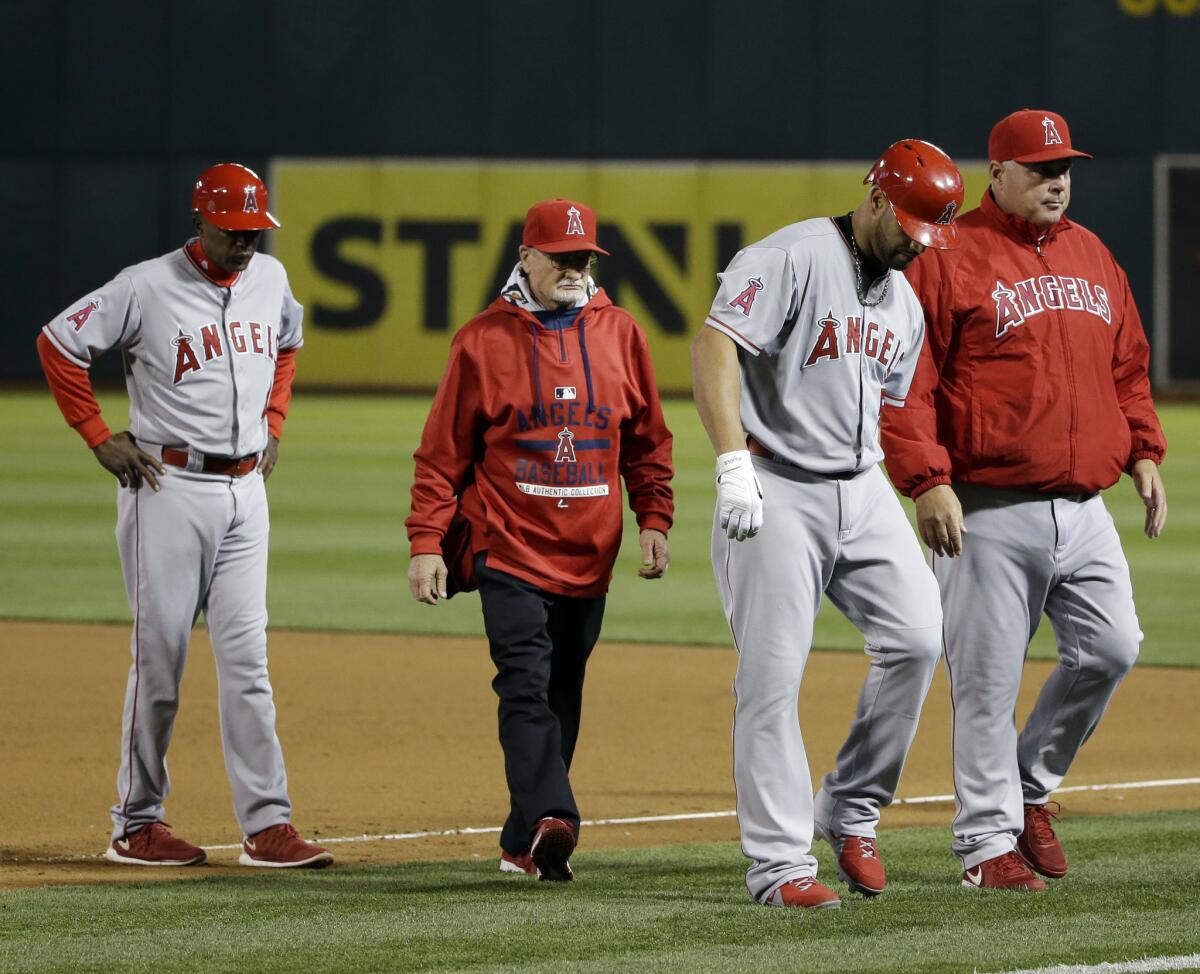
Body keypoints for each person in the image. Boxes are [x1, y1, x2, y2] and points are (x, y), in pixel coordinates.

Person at [880, 109, 1168, 891]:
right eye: (1040, 170)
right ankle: (984, 848)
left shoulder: (1092, 254)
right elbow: (907, 380)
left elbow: (1129, 367)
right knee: (986, 681)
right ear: (996, 174)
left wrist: (1143, 448)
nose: (1057, 182)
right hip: (986, 505)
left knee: (1112, 647)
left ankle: (1029, 790)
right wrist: (928, 479)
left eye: (1064, 168)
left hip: (1084, 507)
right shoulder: (947, 256)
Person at [691, 141, 964, 909]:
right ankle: (780, 868)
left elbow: (894, 406)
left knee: (916, 638)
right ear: (875, 198)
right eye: (909, 223)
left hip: (863, 485)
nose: (916, 242)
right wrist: (730, 460)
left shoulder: (904, 300)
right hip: (776, 484)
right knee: (772, 681)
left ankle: (849, 806)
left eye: (929, 232)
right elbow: (715, 345)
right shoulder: (791, 256)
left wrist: (928, 482)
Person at [36, 163, 332, 869]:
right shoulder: (144, 285)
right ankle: (136, 824)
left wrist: (276, 421)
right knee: (160, 662)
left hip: (244, 495)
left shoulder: (271, 279)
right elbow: (58, 343)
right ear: (200, 222)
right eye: (234, 232)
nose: (245, 244)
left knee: (248, 664)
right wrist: (96, 435)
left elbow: (288, 344)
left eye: (255, 231)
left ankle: (267, 826)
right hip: (166, 488)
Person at [405, 198, 674, 882]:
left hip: (590, 552)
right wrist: (427, 541)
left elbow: (647, 441)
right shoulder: (480, 341)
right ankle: (556, 815)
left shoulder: (620, 333)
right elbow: (441, 455)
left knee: (562, 691)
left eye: (584, 258)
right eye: (561, 257)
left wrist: (654, 518)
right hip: (509, 545)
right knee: (524, 683)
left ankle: (523, 839)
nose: (575, 269)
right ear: (526, 256)